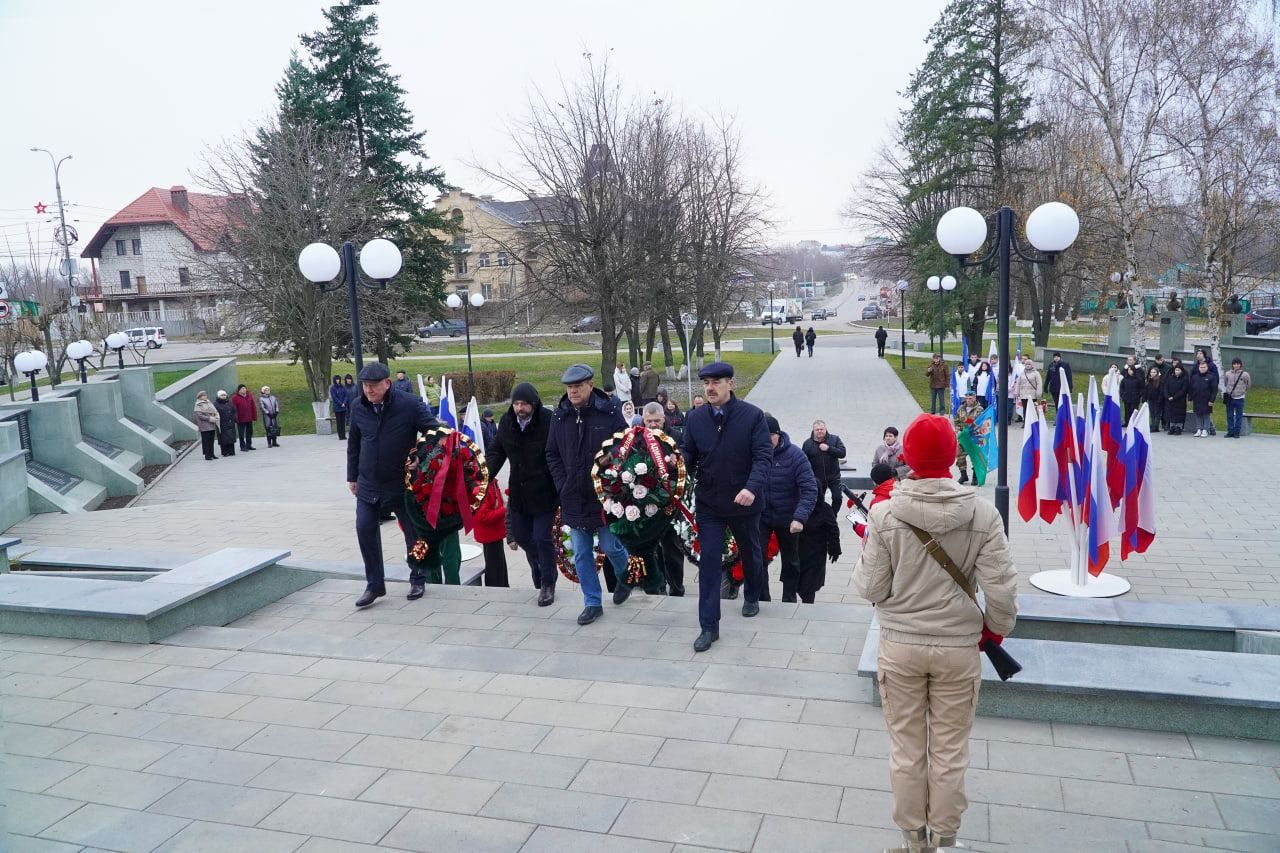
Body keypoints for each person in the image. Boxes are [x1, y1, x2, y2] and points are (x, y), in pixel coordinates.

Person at [853, 413, 1018, 852]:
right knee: (949, 751)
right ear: (953, 455)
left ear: (906, 456)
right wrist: (996, 631)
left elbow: (870, 587)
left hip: (900, 647)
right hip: (958, 651)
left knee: (907, 750)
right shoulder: (983, 513)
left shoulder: (885, 513)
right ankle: (945, 841)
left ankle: (912, 841)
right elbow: (1001, 590)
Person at [681, 361, 772, 652]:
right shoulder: (695, 418)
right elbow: (689, 452)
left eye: (716, 382)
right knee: (708, 561)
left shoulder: (753, 416)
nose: (710, 387)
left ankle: (752, 595)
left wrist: (751, 488)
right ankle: (709, 626)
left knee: (751, 552)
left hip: (744, 502)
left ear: (730, 384)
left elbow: (763, 457)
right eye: (706, 382)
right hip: (710, 503)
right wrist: (678, 462)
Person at [347, 361, 441, 607]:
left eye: (374, 386)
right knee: (364, 529)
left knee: (414, 534)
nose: (368, 390)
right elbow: (354, 444)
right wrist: (352, 476)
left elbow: (435, 433)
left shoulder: (409, 404)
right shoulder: (358, 407)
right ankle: (374, 585)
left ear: (387, 384)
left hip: (402, 483)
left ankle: (418, 577)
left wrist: (420, 457)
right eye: (365, 386)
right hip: (368, 483)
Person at [545, 363, 631, 625]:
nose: (572, 392)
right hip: (572, 496)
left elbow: (624, 446)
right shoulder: (560, 417)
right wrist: (562, 482)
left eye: (577, 387)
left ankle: (626, 576)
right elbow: (552, 453)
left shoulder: (609, 413)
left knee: (609, 545)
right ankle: (592, 602)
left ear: (590, 386)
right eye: (569, 388)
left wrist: (611, 462)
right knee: (582, 552)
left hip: (603, 495)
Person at [487, 382, 560, 606]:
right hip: (519, 494)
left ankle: (548, 583)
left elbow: (559, 453)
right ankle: (544, 563)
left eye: (524, 404)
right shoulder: (507, 422)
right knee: (522, 536)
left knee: (542, 537)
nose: (519, 408)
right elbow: (497, 451)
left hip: (545, 493)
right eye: (516, 403)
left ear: (534, 404)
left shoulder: (549, 421)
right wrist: (484, 477)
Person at [759, 415, 818, 603]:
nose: (767, 440)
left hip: (788, 517)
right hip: (761, 516)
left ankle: (789, 597)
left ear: (778, 434)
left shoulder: (795, 455)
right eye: (762, 435)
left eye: (770, 436)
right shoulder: (754, 452)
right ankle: (761, 597)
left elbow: (810, 488)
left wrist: (799, 517)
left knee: (791, 561)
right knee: (756, 558)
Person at [643, 402, 686, 596]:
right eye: (649, 421)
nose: (653, 425)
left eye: (656, 421)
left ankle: (676, 587)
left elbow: (687, 466)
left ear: (664, 419)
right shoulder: (637, 438)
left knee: (672, 549)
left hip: (671, 503)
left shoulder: (676, 438)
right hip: (645, 503)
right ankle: (657, 586)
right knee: (651, 549)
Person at [471, 480, 509, 587]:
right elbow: (483, 517)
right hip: (490, 534)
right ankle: (497, 590)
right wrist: (503, 510)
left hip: (494, 533)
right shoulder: (482, 488)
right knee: (495, 569)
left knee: (499, 566)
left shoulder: (490, 483)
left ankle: (502, 587)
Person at [802, 420, 847, 508]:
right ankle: (821, 519)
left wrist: (829, 449)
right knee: (818, 502)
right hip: (817, 479)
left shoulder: (835, 439)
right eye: (817, 430)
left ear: (825, 429)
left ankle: (832, 517)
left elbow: (842, 453)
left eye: (821, 429)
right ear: (813, 431)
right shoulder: (807, 444)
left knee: (837, 498)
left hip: (834, 477)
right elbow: (804, 462)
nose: (819, 431)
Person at [852, 462, 897, 539]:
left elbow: (873, 533)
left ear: (875, 482)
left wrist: (858, 528)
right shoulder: (901, 490)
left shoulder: (877, 502)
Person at [953, 391, 983, 484]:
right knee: (960, 456)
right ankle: (963, 475)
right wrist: (958, 430)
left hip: (974, 438)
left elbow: (981, 423)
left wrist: (974, 429)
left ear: (974, 398)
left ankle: (975, 476)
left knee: (975, 457)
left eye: (970, 398)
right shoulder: (961, 408)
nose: (968, 400)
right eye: (967, 398)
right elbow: (956, 421)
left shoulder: (979, 409)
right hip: (963, 437)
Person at [1222, 357, 1251, 439]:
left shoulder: (1245, 374)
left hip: (1240, 398)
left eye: (1238, 364)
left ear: (1240, 365)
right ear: (1232, 365)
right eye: (1234, 364)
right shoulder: (1228, 373)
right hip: (1230, 398)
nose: (1236, 365)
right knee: (1229, 415)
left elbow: (1248, 385)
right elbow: (1225, 383)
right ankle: (1230, 431)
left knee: (1239, 416)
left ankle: (1237, 431)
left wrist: (1243, 391)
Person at [1188, 360, 1218, 437]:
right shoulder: (1194, 377)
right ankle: (1199, 429)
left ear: (1207, 367)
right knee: (1198, 414)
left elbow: (1214, 390)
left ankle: (1205, 429)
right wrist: (1190, 398)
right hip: (1197, 399)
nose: (1202, 368)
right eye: (1201, 367)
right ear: (1198, 368)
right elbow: (1191, 388)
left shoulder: (1211, 377)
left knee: (1206, 415)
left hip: (1206, 399)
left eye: (1204, 367)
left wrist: (1212, 400)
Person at [1195, 349, 1220, 435]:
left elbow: (1215, 380)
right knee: (1199, 413)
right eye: (1197, 353)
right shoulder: (1196, 366)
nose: (1198, 355)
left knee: (1206, 413)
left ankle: (1209, 428)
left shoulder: (1211, 365)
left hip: (1207, 394)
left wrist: (1212, 397)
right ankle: (1200, 429)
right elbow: (1192, 379)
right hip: (1198, 395)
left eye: (1200, 353)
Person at [1163, 363, 1190, 435]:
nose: (1177, 371)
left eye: (1178, 370)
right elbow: (1166, 387)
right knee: (1171, 414)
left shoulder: (1185, 379)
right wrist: (1167, 396)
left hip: (1179, 400)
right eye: (1176, 370)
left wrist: (1174, 397)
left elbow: (1183, 390)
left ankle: (1179, 427)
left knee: (1179, 414)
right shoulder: (1170, 378)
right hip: (1170, 399)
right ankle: (1172, 427)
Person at [193, 391, 220, 460]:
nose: (205, 397)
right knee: (206, 441)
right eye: (203, 396)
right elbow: (200, 416)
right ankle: (207, 455)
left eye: (205, 395)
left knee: (211, 440)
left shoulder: (208, 402)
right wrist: (210, 418)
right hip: (205, 425)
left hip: (212, 424)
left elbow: (214, 411)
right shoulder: (198, 404)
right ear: (200, 397)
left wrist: (216, 416)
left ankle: (212, 453)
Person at [232, 384, 258, 451]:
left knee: (249, 431)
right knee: (241, 433)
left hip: (249, 417)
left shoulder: (249, 396)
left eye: (245, 388)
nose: (244, 390)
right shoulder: (235, 397)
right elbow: (234, 408)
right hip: (241, 418)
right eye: (242, 388)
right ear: (239, 390)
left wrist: (254, 416)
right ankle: (242, 446)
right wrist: (236, 418)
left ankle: (249, 445)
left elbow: (252, 406)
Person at [1015, 357, 1041, 423]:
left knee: (1031, 409)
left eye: (1029, 364)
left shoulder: (1036, 373)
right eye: (1026, 364)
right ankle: (1025, 422)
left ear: (1032, 365)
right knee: (1025, 408)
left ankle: (1032, 422)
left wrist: (1038, 393)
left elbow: (1039, 384)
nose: (1028, 366)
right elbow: (1018, 383)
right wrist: (1017, 393)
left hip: (1032, 394)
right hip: (1023, 394)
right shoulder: (1022, 373)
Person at [213, 391, 238, 457]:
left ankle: (231, 451)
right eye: (222, 395)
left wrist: (234, 417)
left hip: (230, 422)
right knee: (223, 438)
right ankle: (225, 452)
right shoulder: (216, 404)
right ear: (219, 396)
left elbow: (234, 410)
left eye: (224, 395)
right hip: (222, 423)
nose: (224, 396)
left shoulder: (229, 403)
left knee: (231, 437)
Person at [1143, 367, 1164, 432]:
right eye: (1151, 372)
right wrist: (1145, 398)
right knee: (1152, 412)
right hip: (1150, 399)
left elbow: (1161, 391)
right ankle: (1153, 424)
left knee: (1157, 413)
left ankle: (1156, 426)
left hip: (1157, 399)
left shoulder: (1160, 381)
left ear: (1157, 373)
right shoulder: (1149, 380)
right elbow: (1146, 390)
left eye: (1154, 372)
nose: (1152, 374)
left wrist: (1160, 399)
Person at [330, 375, 349, 441]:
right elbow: (334, 397)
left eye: (339, 379)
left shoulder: (343, 387)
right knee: (339, 421)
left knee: (343, 421)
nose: (338, 380)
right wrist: (341, 403)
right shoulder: (333, 388)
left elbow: (346, 396)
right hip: (337, 407)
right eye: (336, 379)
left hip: (343, 407)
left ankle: (344, 435)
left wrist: (344, 403)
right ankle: (340, 435)